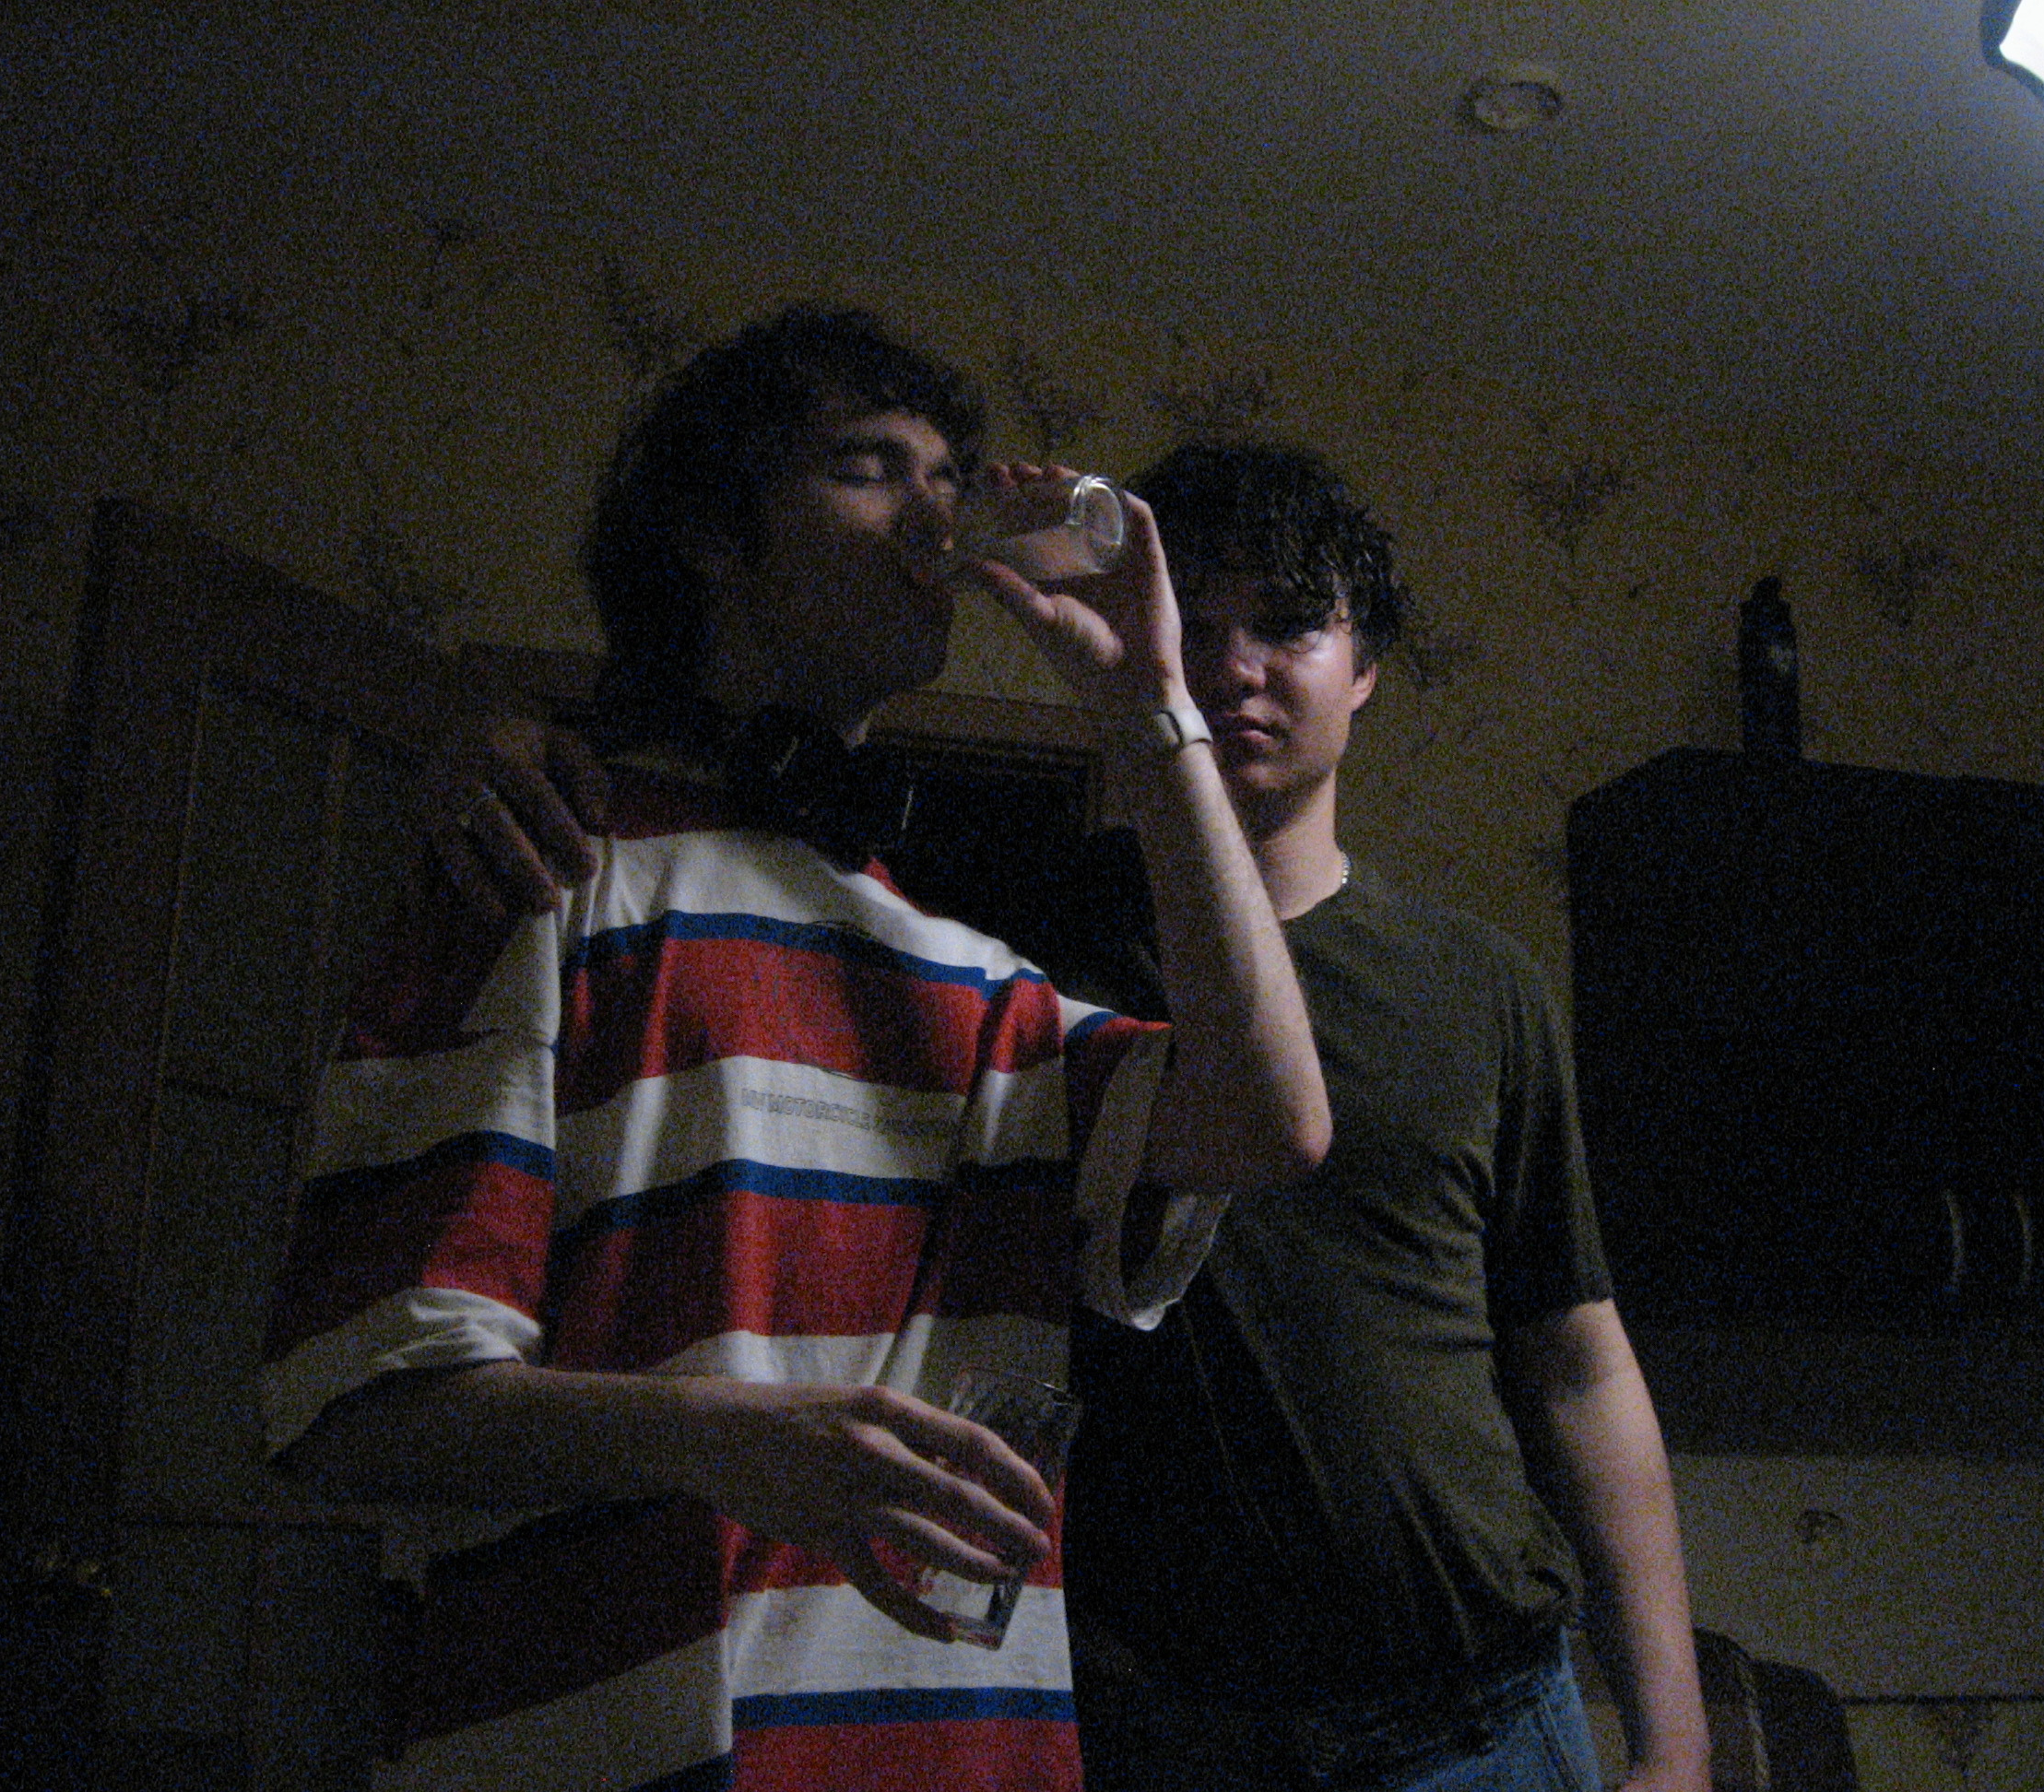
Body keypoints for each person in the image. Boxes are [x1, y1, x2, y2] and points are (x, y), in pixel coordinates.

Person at [446, 439, 1712, 1792]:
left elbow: (1577, 1362)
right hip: (1155, 1728)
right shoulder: (1003, 931)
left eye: (1289, 625)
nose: (1234, 668)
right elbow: (736, 809)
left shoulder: (1479, 983)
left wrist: (1675, 1734)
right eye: (1195, 624)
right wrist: (502, 748)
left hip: (1486, 1717)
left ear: (1365, 670)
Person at [261, 309, 1329, 1792]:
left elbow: (1275, 1122)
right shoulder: (545, 872)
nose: (935, 518)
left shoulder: (978, 988)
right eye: (868, 467)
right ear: (713, 534)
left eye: (948, 477)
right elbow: (357, 1412)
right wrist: (728, 1443)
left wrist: (1150, 709)